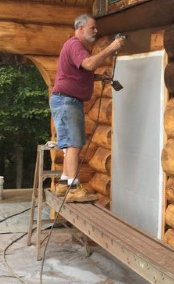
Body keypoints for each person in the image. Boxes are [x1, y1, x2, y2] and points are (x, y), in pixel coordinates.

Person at [50, 14, 125, 201]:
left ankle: (63, 184)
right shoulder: (75, 44)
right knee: (74, 143)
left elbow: (79, 73)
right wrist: (112, 47)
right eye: (93, 27)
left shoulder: (75, 47)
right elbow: (90, 64)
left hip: (65, 100)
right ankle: (73, 188)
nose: (96, 31)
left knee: (70, 144)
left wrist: (99, 78)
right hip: (67, 100)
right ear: (81, 28)